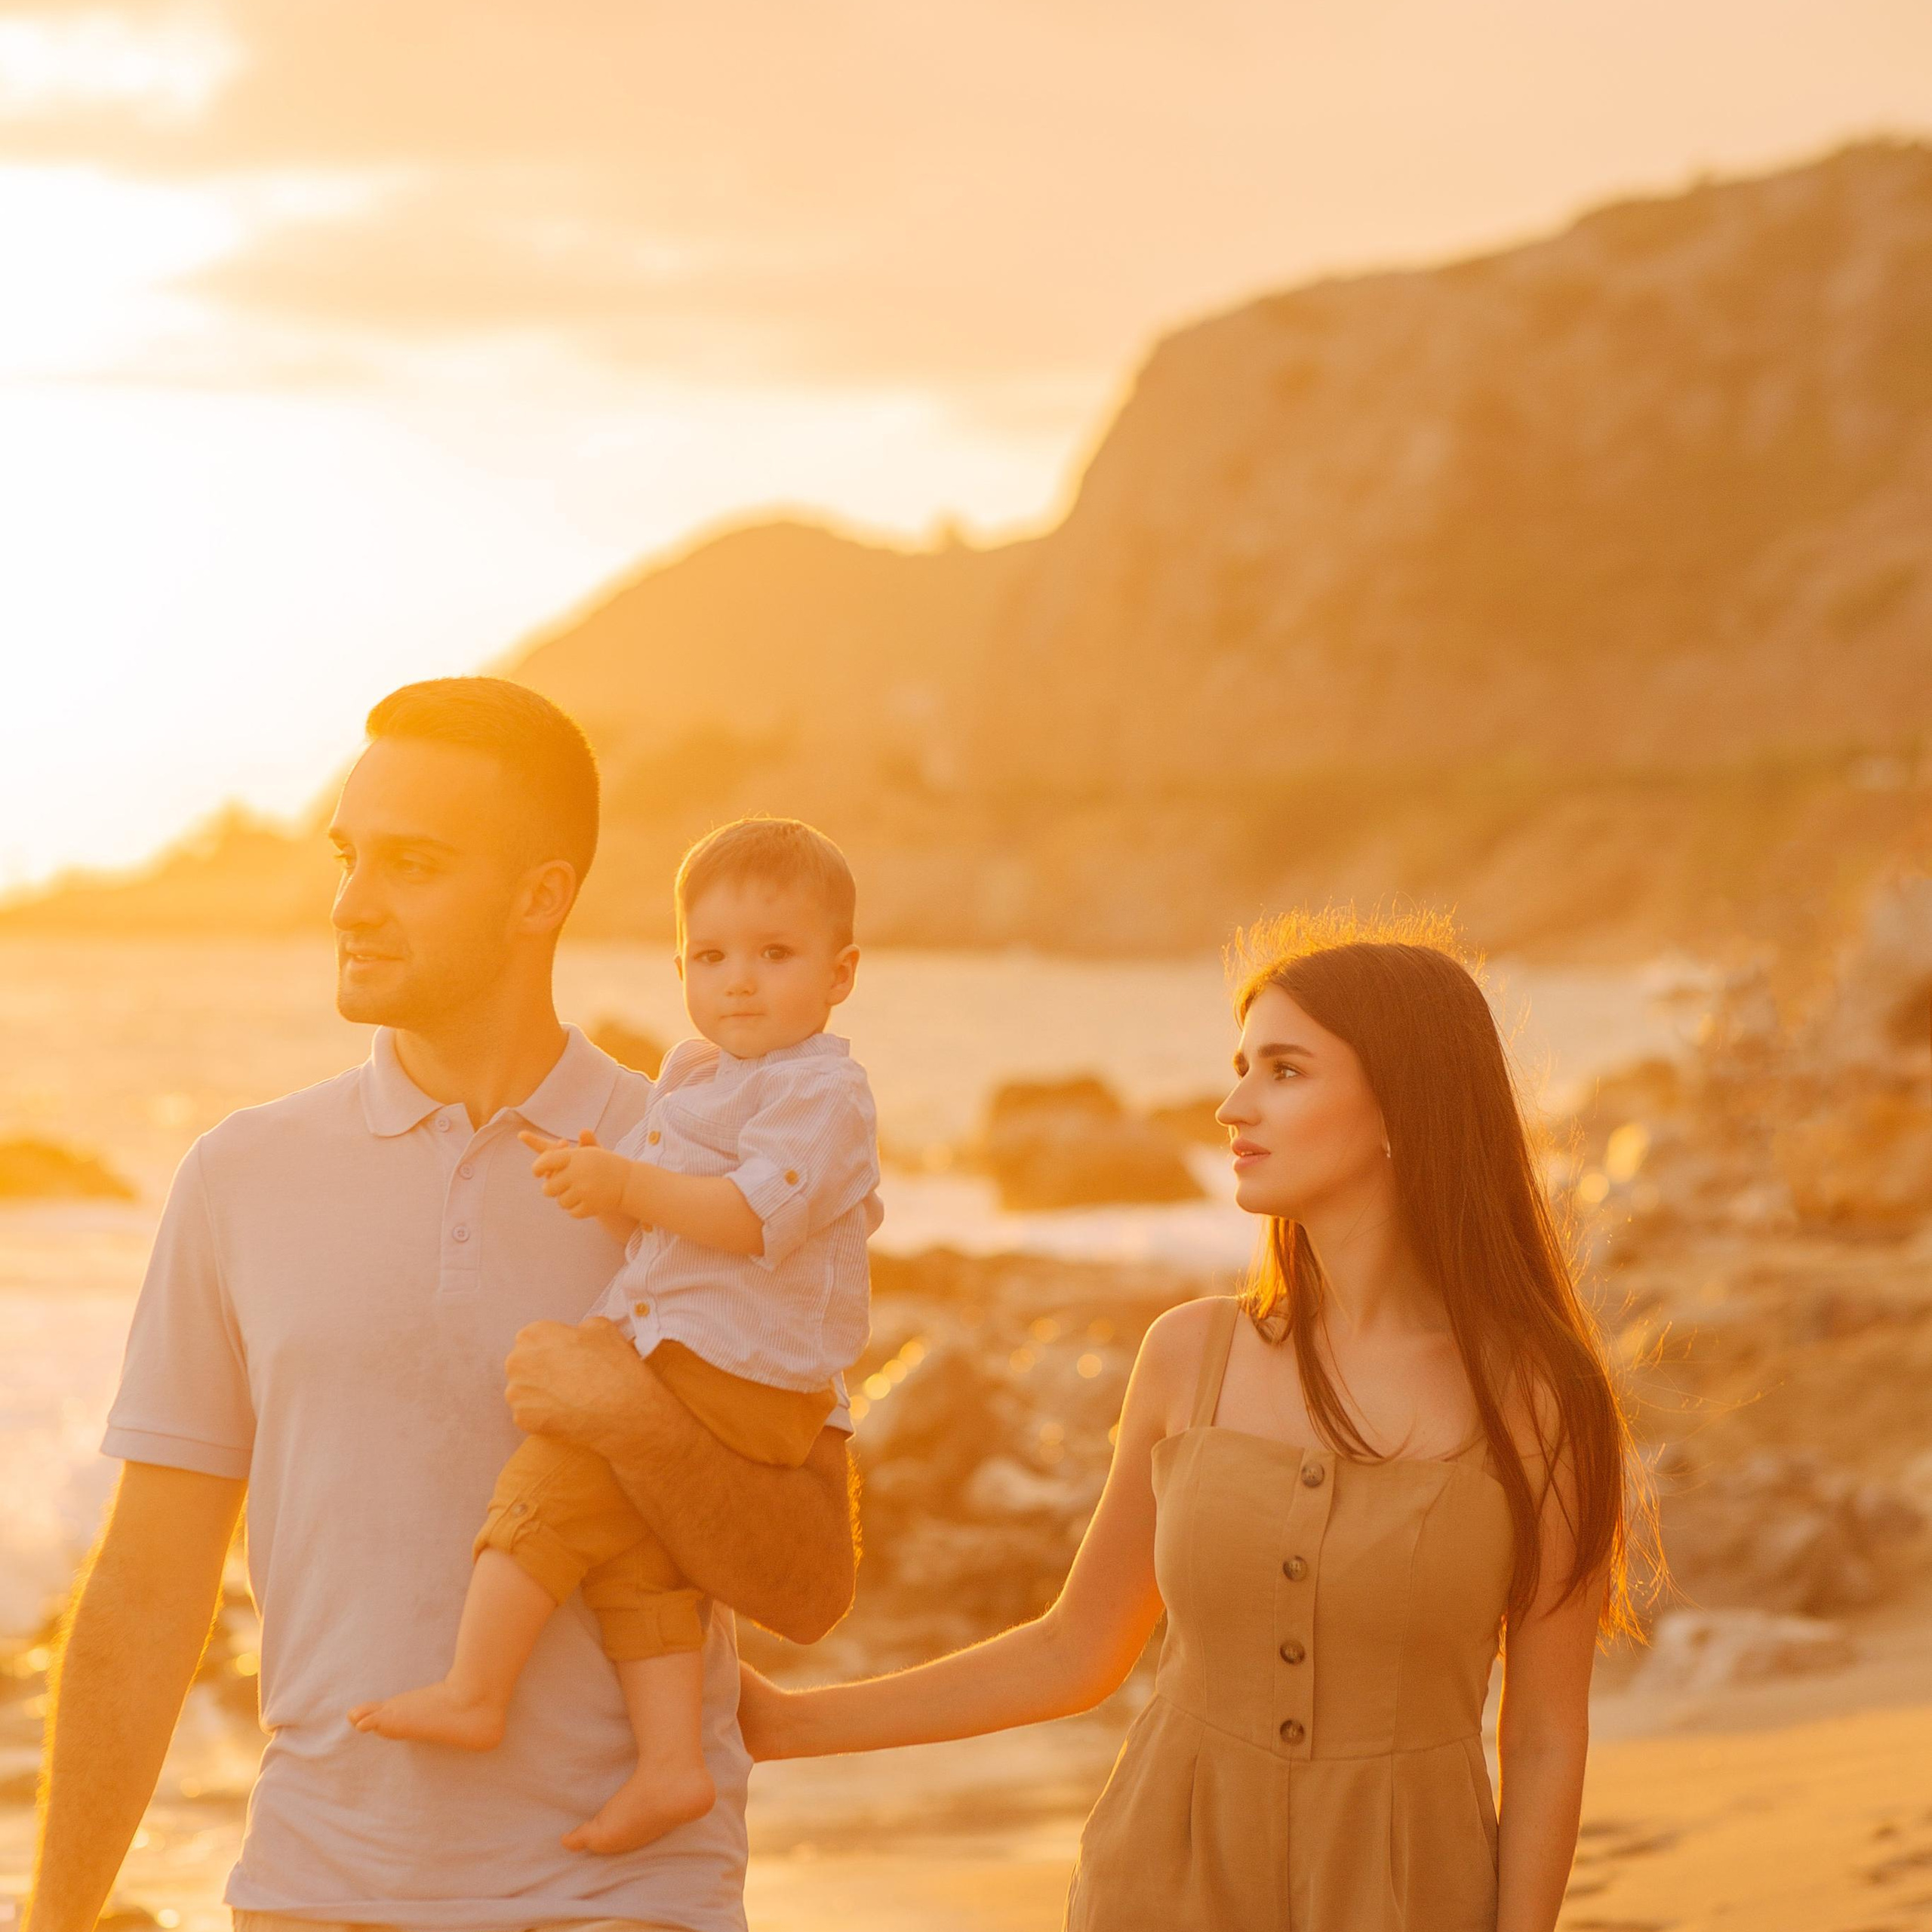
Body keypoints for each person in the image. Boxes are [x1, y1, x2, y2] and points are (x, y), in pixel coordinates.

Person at [26, 679, 857, 1932]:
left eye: (410, 865)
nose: (352, 903)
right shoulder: (240, 1177)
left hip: (625, 1894)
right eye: (349, 857)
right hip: (317, 1891)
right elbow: (148, 1586)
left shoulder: (710, 1173)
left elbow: (810, 1582)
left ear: (542, 897)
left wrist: (632, 1419)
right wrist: (51, 1921)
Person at [740, 911, 1648, 1932]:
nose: (1231, 1106)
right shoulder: (1189, 1356)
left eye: (1285, 1071)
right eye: (1241, 1067)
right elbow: (1077, 1651)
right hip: (1160, 1889)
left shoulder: (1539, 1400)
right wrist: (783, 1723)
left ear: (1404, 1105)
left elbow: (1541, 1736)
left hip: (1408, 1896)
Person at [349, 817, 881, 1858]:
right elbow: (657, 1209)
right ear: (679, 966)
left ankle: (474, 1690)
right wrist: (601, 1177)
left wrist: (628, 1183)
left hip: (742, 1372)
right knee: (639, 1558)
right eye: (711, 958)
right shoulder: (694, 1072)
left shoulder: (821, 1091)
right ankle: (674, 1765)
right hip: (698, 1357)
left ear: (841, 972)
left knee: (549, 1489)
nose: (739, 983)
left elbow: (746, 1216)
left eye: (775, 956)